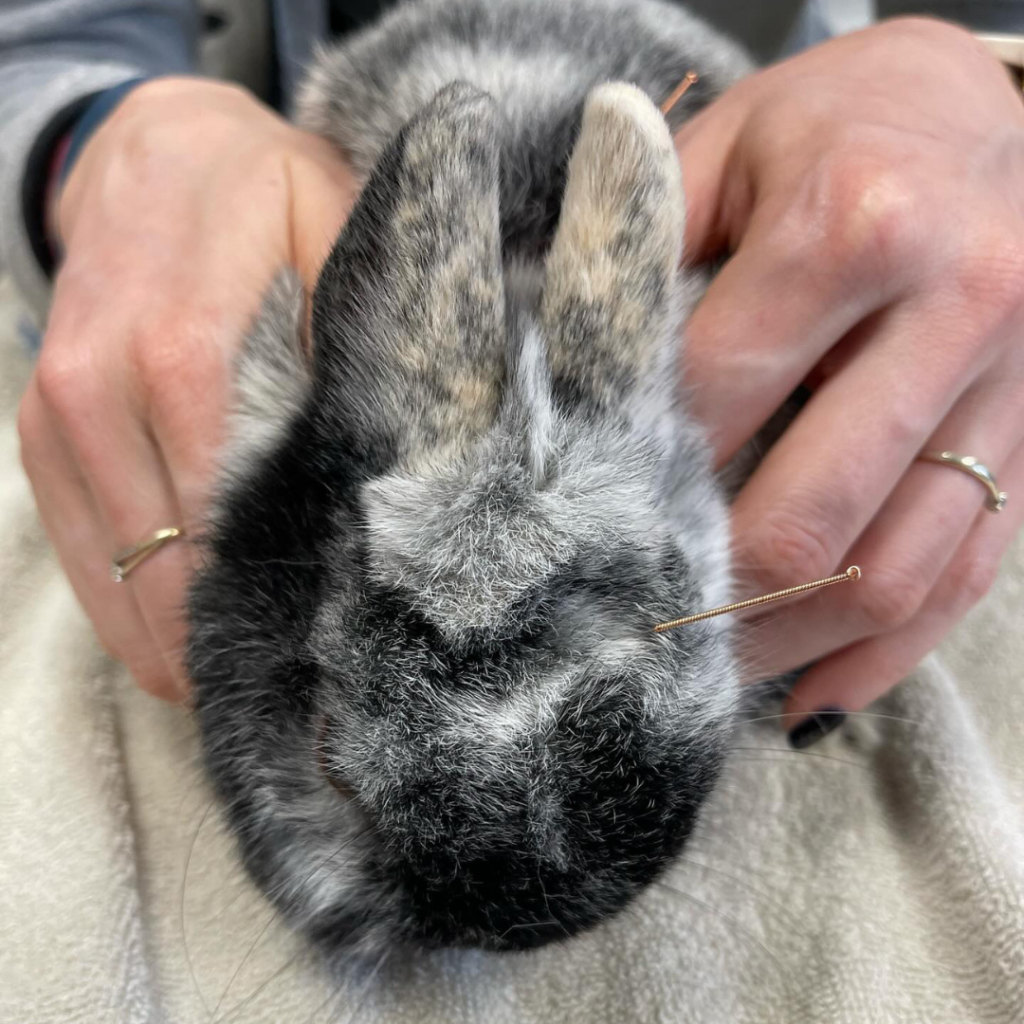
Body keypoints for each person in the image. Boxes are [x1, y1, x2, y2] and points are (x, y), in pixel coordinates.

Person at [2, 0, 1023, 748]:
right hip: (274, 210)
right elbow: (42, 42)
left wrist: (988, 85)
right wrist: (96, 142)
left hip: (808, 237)